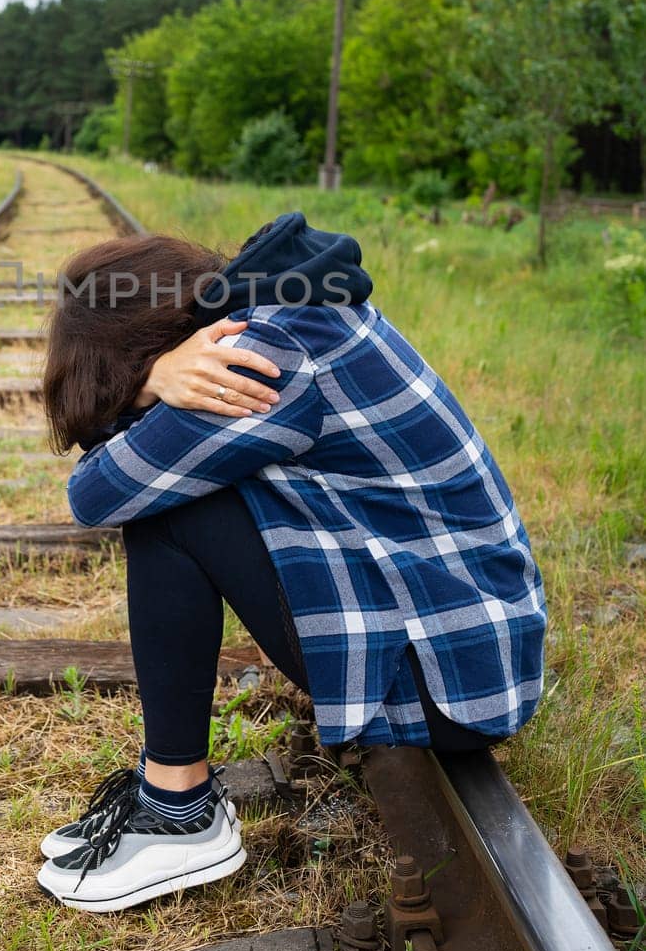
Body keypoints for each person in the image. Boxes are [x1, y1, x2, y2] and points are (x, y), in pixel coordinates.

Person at [35, 214, 547, 913]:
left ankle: (180, 814)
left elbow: (96, 494)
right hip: (469, 644)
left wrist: (150, 384)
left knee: (170, 515)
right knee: (184, 490)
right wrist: (154, 376)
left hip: (451, 684)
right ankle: (170, 799)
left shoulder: (261, 357)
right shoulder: (284, 310)